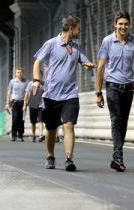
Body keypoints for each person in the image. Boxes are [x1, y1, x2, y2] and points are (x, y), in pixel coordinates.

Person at [32, 15, 95, 171]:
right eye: (79, 28)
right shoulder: (51, 44)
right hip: (51, 95)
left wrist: (89, 65)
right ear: (71, 28)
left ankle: (69, 159)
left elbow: (85, 62)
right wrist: (36, 80)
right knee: (51, 129)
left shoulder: (77, 48)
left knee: (69, 125)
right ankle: (50, 156)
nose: (80, 31)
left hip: (70, 95)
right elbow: (37, 62)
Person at [95, 11, 134, 172]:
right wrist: (98, 92)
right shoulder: (107, 41)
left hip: (128, 87)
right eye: (120, 24)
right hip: (112, 86)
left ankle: (118, 154)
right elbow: (100, 68)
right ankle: (117, 156)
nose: (123, 27)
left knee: (123, 121)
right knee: (116, 119)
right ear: (115, 25)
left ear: (129, 25)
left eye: (126, 24)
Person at [6, 67, 29, 142]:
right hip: (14, 101)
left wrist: (25, 104)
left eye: (21, 72)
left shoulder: (26, 82)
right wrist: (7, 103)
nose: (19, 74)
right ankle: (13, 134)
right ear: (15, 74)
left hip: (23, 102)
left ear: (23, 73)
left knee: (21, 119)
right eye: (18, 72)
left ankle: (20, 135)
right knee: (15, 118)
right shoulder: (12, 82)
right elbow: (9, 92)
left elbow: (27, 93)